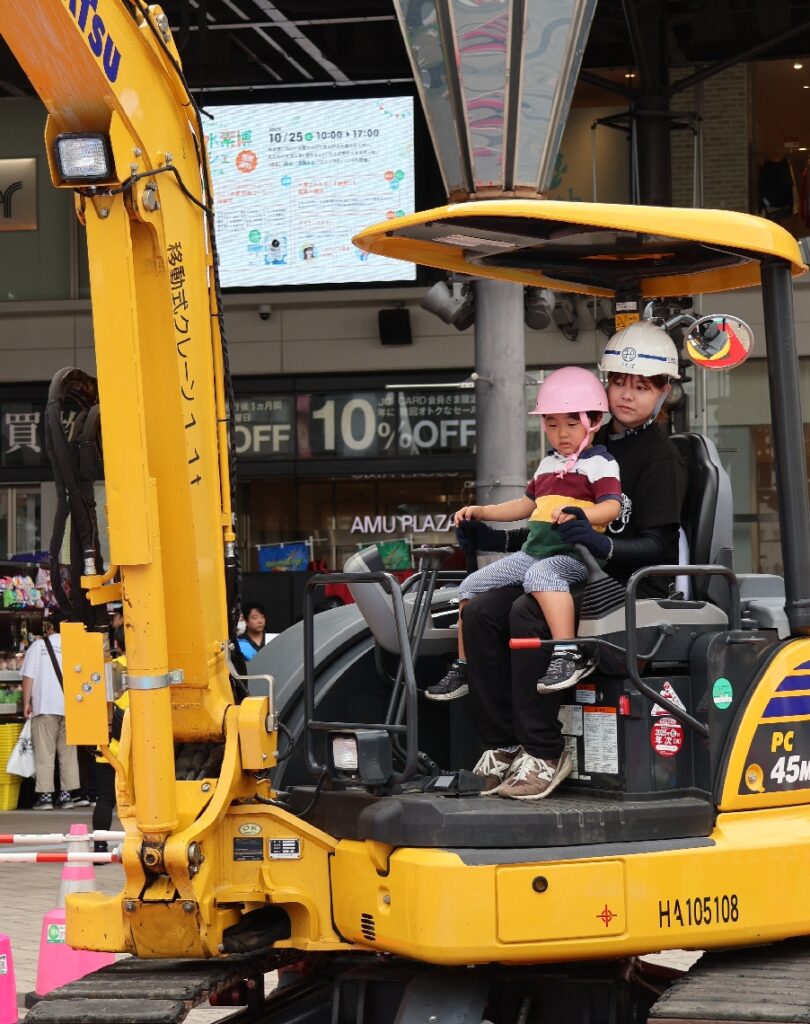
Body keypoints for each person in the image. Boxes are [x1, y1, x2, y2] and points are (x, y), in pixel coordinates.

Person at [457, 321, 687, 802]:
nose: (626, 395)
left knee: (526, 610)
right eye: (618, 382)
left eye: (641, 386)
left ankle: (544, 751)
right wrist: (490, 534)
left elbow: (658, 549)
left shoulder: (658, 459)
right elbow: (545, 523)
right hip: (568, 566)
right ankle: (500, 746)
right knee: (480, 611)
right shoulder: (577, 444)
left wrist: (600, 545)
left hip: (624, 581)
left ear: (664, 391)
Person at [426, 368, 620, 698]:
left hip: (575, 555)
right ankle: (464, 666)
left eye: (572, 424)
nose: (562, 433)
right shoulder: (546, 465)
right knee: (471, 585)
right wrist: (483, 512)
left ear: (595, 421)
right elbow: (526, 504)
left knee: (541, 576)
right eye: (552, 424)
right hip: (533, 552)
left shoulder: (601, 464)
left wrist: (580, 514)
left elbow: (611, 507)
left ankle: (567, 653)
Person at [21, 612, 81, 810]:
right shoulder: (75, 647)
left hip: (45, 706)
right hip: (71, 707)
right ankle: (66, 796)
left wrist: (26, 702)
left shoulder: (38, 646)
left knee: (45, 753)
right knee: (68, 753)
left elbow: (28, 676)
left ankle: (46, 797)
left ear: (50, 627)